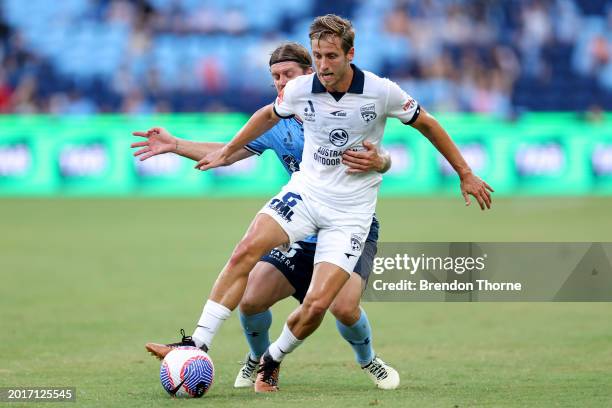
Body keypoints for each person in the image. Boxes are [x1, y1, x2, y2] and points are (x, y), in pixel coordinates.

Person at [143, 14, 493, 393]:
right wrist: (210, 148)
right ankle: (199, 344)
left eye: (330, 56)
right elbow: (261, 119)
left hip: (350, 215)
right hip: (307, 195)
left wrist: (463, 172)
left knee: (327, 307)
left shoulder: (381, 91)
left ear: (350, 54)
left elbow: (426, 124)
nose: (324, 66)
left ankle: (277, 360)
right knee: (246, 257)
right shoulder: (297, 95)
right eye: (318, 56)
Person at [134, 42, 400, 389]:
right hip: (301, 225)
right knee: (251, 299)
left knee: (344, 309)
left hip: (349, 225)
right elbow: (228, 153)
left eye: (287, 74)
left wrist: (383, 161)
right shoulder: (278, 119)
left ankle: (368, 360)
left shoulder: (344, 109)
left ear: (310, 73)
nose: (280, 82)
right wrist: (177, 145)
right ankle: (259, 361)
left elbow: (380, 155)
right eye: (274, 76)